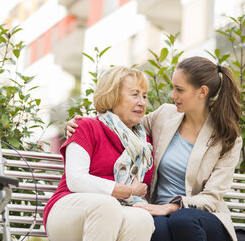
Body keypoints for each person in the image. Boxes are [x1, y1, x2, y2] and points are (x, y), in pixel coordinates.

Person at [66, 56, 242, 241]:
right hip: (157, 212)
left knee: (182, 219)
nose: (172, 95)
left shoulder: (227, 138)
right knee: (155, 226)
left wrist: (172, 206)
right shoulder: (164, 116)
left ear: (202, 92)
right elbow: (122, 124)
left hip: (204, 218)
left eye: (179, 90)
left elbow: (212, 197)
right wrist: (77, 125)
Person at [43, 66, 155, 241]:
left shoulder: (144, 145)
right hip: (69, 210)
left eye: (144, 96)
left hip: (117, 212)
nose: (141, 102)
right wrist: (127, 190)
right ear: (113, 96)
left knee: (141, 218)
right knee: (106, 205)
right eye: (134, 94)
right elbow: (76, 180)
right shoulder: (86, 127)